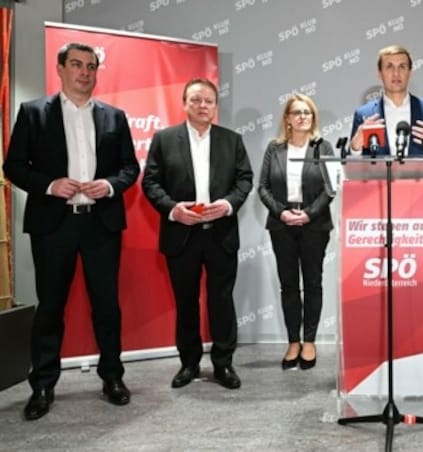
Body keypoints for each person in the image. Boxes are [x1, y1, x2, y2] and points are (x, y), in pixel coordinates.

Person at [3, 42, 140, 420]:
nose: (84, 72)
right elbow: (13, 165)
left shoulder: (115, 116)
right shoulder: (34, 113)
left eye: (91, 66)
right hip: (54, 224)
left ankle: (112, 377)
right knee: (50, 307)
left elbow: (130, 168)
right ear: (60, 68)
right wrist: (49, 185)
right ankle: (43, 385)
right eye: (77, 65)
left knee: (107, 307)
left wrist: (109, 185)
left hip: (101, 223)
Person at [141, 78, 253, 390]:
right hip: (181, 234)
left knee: (221, 300)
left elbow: (245, 179)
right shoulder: (164, 139)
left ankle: (223, 364)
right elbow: (150, 183)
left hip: (220, 233)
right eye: (196, 100)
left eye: (208, 101)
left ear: (216, 106)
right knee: (186, 301)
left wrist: (228, 205)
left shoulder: (232, 140)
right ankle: (189, 364)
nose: (202, 106)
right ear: (184, 103)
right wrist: (174, 209)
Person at [258, 94, 334, 370]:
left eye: (307, 113)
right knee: (289, 284)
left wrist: (309, 213)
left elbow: (330, 187)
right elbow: (262, 187)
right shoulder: (274, 148)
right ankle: (293, 341)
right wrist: (282, 212)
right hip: (282, 224)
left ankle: (310, 341)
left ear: (313, 118)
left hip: (315, 224)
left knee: (313, 283)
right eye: (297, 112)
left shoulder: (322, 147)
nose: (302, 117)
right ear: (287, 119)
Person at [349, 44, 423, 156]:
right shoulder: (364, 114)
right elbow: (349, 161)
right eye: (389, 67)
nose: (396, 73)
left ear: (410, 73)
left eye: (402, 66)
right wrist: (355, 147)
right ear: (380, 74)